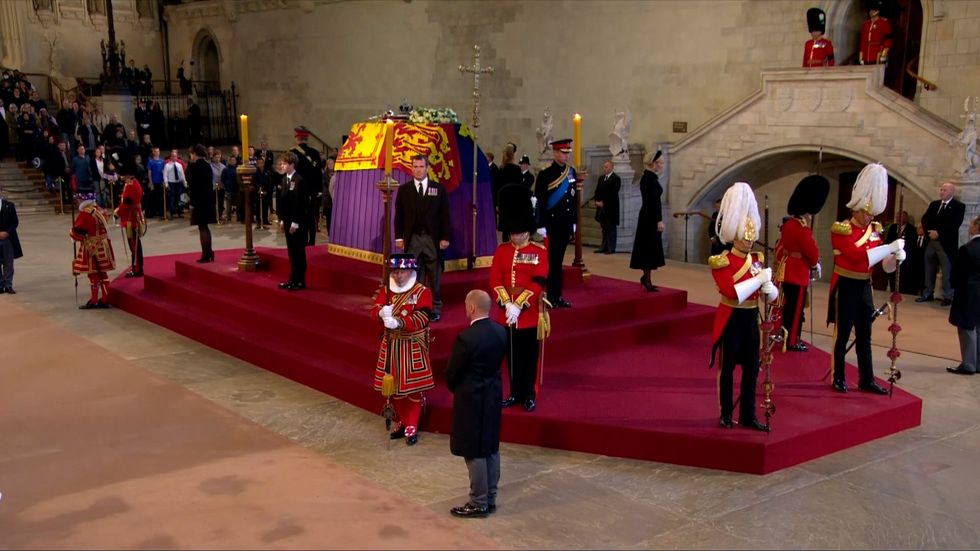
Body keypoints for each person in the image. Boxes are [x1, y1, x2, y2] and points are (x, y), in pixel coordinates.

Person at [827, 163, 905, 394]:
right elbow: (857, 255)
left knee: (865, 334)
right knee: (842, 335)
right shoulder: (841, 229)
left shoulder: (874, 230)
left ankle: (866, 378)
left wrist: (896, 256)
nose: (870, 216)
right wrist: (887, 247)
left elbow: (883, 266)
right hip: (846, 284)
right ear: (857, 209)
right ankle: (838, 376)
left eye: (872, 212)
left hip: (864, 285)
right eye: (867, 212)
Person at [709, 182, 777, 431]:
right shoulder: (721, 261)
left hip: (751, 318)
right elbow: (731, 292)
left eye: (751, 238)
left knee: (752, 369)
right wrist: (759, 280)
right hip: (731, 317)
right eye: (744, 238)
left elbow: (770, 295)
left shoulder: (757, 260)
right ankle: (725, 412)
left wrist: (770, 289)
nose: (749, 243)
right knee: (727, 369)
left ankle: (748, 413)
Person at [446, 289, 507, 518]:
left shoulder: (466, 338)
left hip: (471, 399)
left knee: (474, 450)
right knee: (491, 445)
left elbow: (452, 373)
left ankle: (478, 502)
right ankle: (490, 497)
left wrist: (457, 389)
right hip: (492, 395)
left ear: (471, 307)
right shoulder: (500, 331)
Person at [492, 183, 550, 413]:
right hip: (506, 313)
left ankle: (530, 393)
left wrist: (519, 304)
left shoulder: (539, 252)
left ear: (527, 229)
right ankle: (515, 392)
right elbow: (495, 279)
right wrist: (506, 302)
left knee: (529, 357)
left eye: (518, 232)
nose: (514, 236)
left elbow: (539, 281)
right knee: (512, 356)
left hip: (528, 314)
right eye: (512, 232)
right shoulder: (502, 250)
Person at [372, 253, 436, 446]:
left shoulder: (422, 292)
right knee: (395, 389)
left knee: (413, 390)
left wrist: (399, 321)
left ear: (411, 271)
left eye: (402, 272)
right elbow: (375, 309)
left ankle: (412, 425)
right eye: (396, 272)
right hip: (391, 345)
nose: (398, 276)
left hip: (411, 345)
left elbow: (422, 318)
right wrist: (380, 313)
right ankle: (403, 421)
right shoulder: (387, 290)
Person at [773, 174, 829, 352]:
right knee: (796, 311)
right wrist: (815, 264)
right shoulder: (801, 227)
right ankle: (792, 342)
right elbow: (811, 250)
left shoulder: (790, 224)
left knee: (788, 308)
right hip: (798, 274)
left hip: (788, 270)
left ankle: (786, 335)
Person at [394, 154, 450, 321]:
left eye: (421, 166)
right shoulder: (404, 190)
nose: (418, 170)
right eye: (415, 167)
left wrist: (445, 237)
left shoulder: (439, 189)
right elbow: (399, 217)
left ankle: (435, 308)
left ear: (427, 168)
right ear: (412, 169)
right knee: (413, 274)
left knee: (434, 275)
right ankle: (417, 306)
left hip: (432, 240)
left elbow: (445, 216)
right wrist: (399, 238)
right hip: (413, 239)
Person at [535, 139, 581, 308]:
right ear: (555, 153)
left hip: (565, 223)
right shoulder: (545, 174)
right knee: (551, 262)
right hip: (551, 224)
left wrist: (574, 222)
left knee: (559, 262)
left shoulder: (571, 172)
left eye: (568, 152)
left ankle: (557, 296)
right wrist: (540, 224)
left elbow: (573, 199)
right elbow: (539, 200)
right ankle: (549, 296)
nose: (566, 155)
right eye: (563, 152)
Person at [918, 181, 966, 306]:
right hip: (931, 241)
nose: (942, 192)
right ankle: (928, 293)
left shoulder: (959, 206)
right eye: (941, 190)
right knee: (929, 268)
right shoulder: (934, 204)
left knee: (947, 270)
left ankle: (948, 296)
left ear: (951, 192)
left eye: (944, 190)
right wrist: (930, 232)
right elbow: (925, 219)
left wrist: (939, 233)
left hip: (946, 243)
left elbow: (955, 224)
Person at [947, 216, 980, 375]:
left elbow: (958, 274)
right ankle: (978, 363)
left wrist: (953, 286)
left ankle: (968, 364)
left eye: (971, 224)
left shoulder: (967, 249)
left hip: (968, 292)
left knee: (967, 328)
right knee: (978, 327)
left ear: (976, 227)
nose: (969, 227)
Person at [70, 192, 115, 309]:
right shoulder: (99, 210)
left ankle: (94, 300)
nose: (77, 202)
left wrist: (72, 234)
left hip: (92, 247)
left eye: (78, 200)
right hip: (103, 245)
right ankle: (106, 298)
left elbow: (78, 231)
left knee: (93, 274)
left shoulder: (86, 213)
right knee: (103, 273)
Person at [630, 150, 666, 292]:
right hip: (650, 217)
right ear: (654, 164)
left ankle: (647, 278)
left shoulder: (650, 178)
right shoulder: (649, 179)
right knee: (648, 248)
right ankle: (647, 279)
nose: (662, 165)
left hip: (648, 215)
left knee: (650, 248)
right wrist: (659, 220)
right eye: (661, 163)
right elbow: (654, 202)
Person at [277, 152, 309, 291]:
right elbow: (282, 202)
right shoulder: (284, 180)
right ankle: (292, 279)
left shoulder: (299, 180)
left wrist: (295, 223)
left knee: (298, 251)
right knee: (291, 252)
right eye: (281, 163)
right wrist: (282, 220)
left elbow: (300, 204)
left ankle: (300, 280)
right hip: (288, 220)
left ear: (292, 164)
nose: (282, 166)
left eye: (284, 163)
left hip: (297, 222)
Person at [290, 126, 323, 247]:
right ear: (307, 138)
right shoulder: (314, 153)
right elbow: (319, 172)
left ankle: (302, 240)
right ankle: (312, 241)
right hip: (312, 191)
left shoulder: (292, 153)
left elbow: (290, 173)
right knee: (311, 216)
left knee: (299, 215)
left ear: (297, 138)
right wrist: (319, 189)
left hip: (297, 190)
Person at [113, 160, 146, 278]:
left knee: (134, 245)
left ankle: (137, 269)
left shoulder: (131, 185)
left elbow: (126, 204)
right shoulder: (132, 183)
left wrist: (117, 213)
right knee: (134, 244)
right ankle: (136, 267)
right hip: (132, 216)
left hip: (131, 218)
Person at [187, 144, 216, 263]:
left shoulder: (194, 167)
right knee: (205, 227)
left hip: (199, 200)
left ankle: (206, 254)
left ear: (194, 154)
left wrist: (192, 202)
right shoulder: (208, 166)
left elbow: (194, 187)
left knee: (202, 227)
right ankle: (209, 252)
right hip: (208, 199)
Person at [885, 210, 918, 294]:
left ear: (906, 218)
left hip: (904, 257)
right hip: (892, 255)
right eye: (897, 216)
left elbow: (912, 244)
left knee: (902, 276)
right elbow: (888, 240)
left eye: (901, 217)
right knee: (892, 275)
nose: (898, 218)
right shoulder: (893, 227)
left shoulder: (911, 229)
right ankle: (892, 290)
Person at [593, 160, 621, 254]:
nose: (605, 169)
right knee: (604, 228)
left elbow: (613, 193)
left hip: (611, 208)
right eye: (604, 167)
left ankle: (611, 248)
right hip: (601, 208)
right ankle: (603, 247)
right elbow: (597, 191)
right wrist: (597, 201)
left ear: (612, 167)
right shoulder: (601, 178)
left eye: (607, 167)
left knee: (611, 228)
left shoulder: (616, 179)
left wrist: (604, 202)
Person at [0, 191, 22, 294]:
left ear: (1, 192)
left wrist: (7, 232)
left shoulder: (10, 205)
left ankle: (8, 285)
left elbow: (15, 222)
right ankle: (0, 285)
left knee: (8, 263)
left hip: (8, 238)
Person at [859, 0, 893, 65]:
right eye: (870, 10)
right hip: (866, 55)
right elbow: (862, 41)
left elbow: (888, 40)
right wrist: (861, 57)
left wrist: (884, 54)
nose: (871, 12)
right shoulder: (866, 24)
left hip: (878, 54)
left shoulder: (884, 22)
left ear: (877, 11)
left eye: (873, 10)